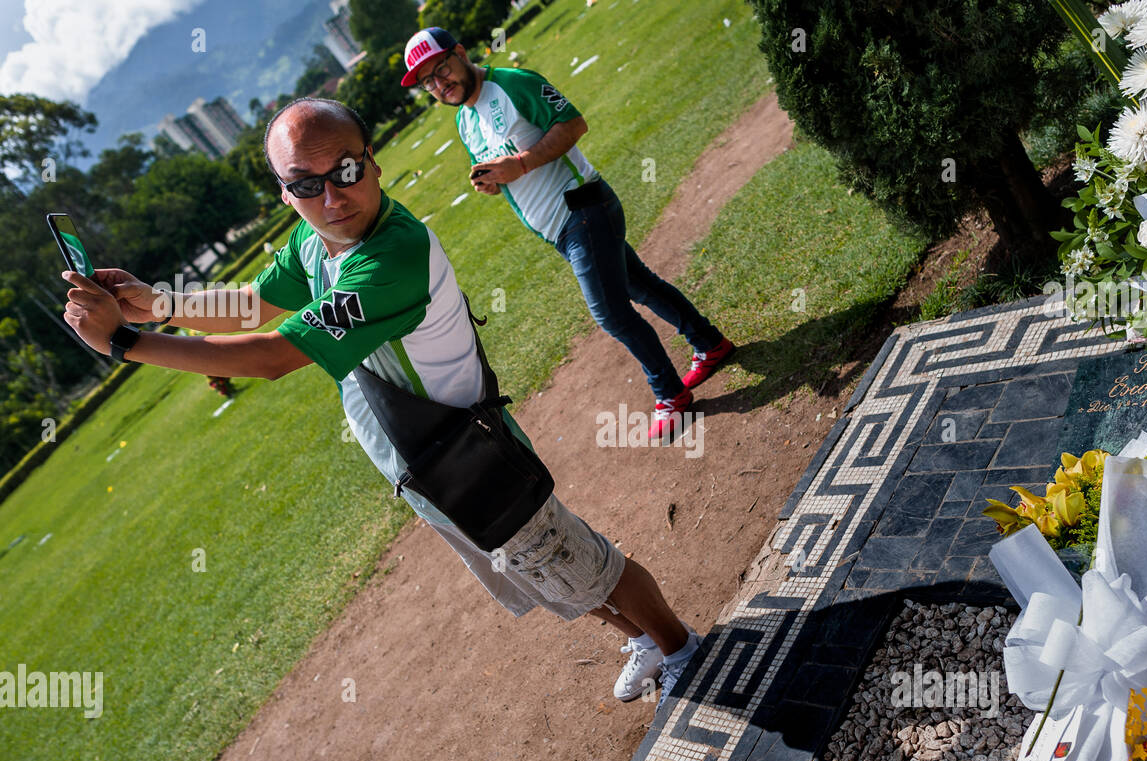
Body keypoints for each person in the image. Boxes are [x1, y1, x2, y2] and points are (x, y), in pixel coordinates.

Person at [59, 97, 700, 710]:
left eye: (344, 171)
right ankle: (643, 639)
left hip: (473, 454)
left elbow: (270, 357)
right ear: (286, 193)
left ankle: (681, 648)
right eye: (305, 184)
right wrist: (158, 302)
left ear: (373, 161)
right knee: (542, 570)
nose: (331, 197)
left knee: (578, 559)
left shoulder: (389, 255)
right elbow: (253, 303)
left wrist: (123, 340)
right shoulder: (317, 247)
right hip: (427, 462)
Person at [400, 27, 735, 443]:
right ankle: (710, 344)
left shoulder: (514, 84)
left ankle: (670, 395)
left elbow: (574, 124)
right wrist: (492, 181)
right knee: (639, 284)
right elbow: (499, 166)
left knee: (611, 313)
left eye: (442, 68)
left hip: (584, 210)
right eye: (427, 81)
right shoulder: (465, 120)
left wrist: (520, 165)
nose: (439, 82)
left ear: (462, 53)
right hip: (562, 228)